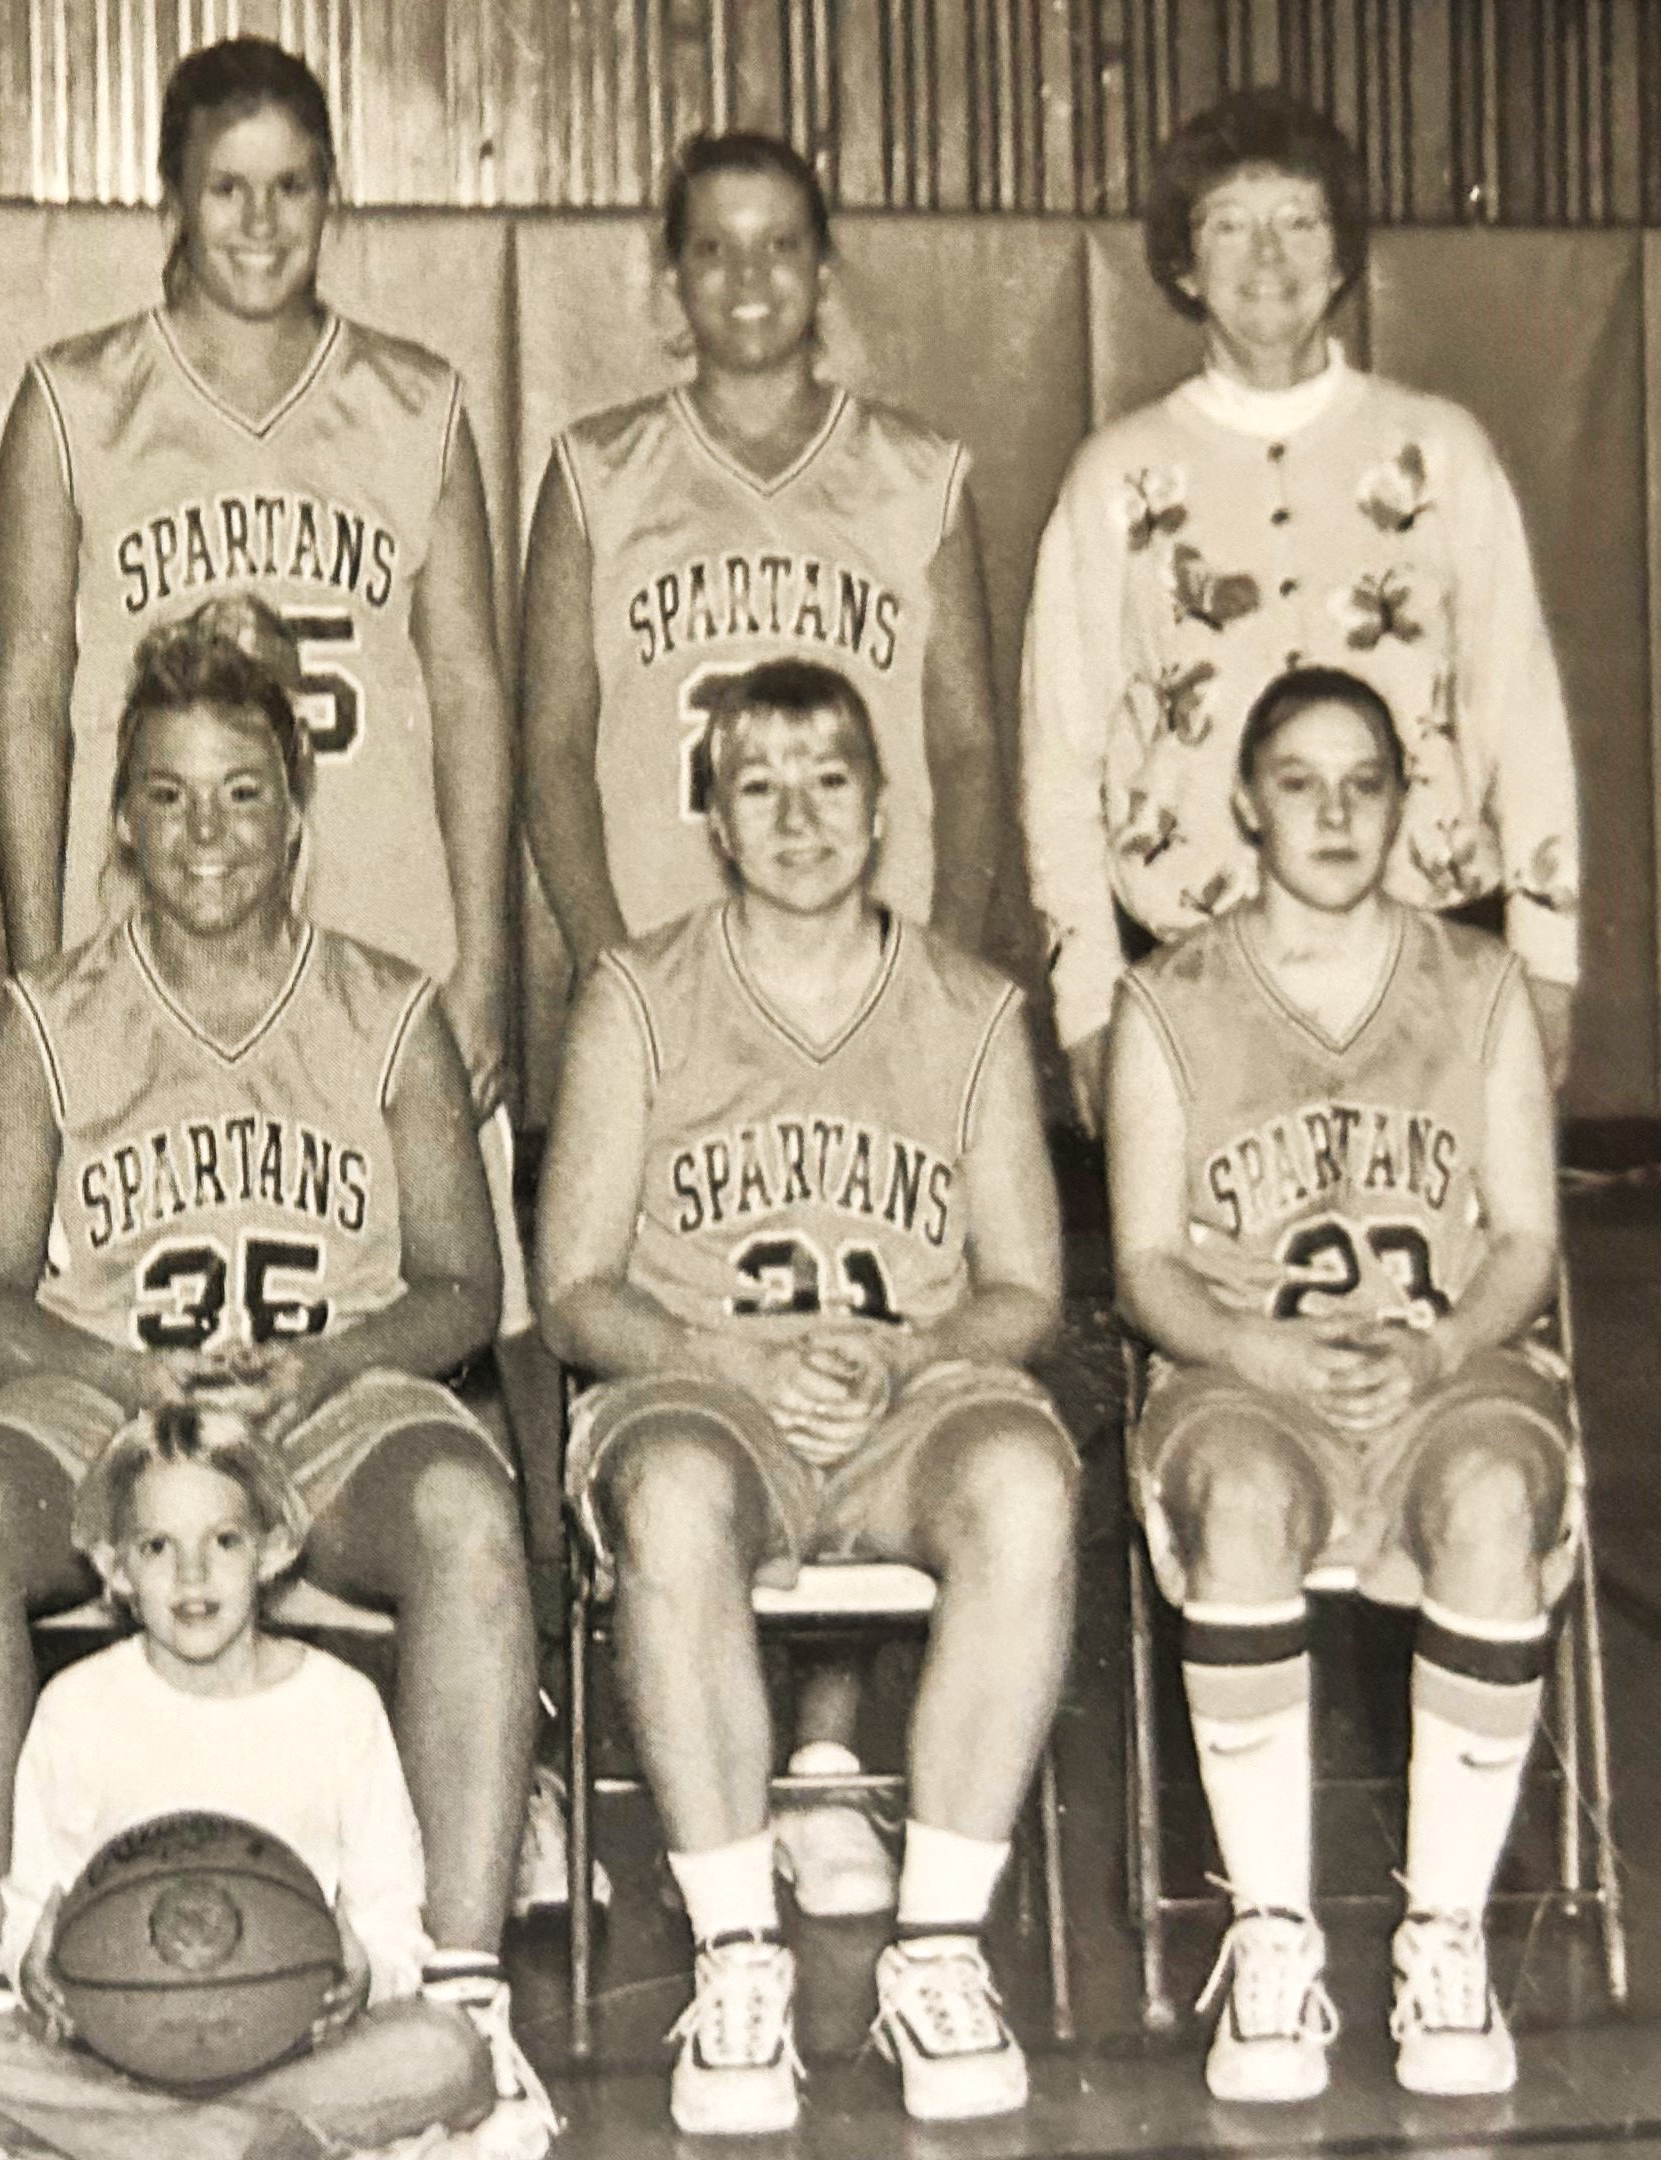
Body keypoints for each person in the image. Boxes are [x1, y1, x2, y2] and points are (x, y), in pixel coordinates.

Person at [0, 614, 548, 2150]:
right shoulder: (46, 1016)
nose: (206, 833)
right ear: (119, 819)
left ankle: (461, 1999)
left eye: (242, 794)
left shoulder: (387, 1010)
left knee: (464, 1511)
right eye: (170, 796)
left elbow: (466, 1283)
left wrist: (328, 1360)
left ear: (297, 812)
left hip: (323, 1401)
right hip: (110, 1400)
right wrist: (122, 1373)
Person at [516, 128, 1003, 1919]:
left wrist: (927, 986)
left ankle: (824, 1751)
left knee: (860, 1308)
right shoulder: (600, 471)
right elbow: (552, 745)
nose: (745, 280)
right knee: (680, 1342)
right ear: (668, 281)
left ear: (826, 270)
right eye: (711, 250)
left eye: (781, 247)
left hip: (862, 974)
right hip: (669, 981)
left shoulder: (919, 475)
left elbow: (960, 744)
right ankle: (665, 1749)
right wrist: (606, 963)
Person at [535, 659, 1074, 2132]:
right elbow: (575, 1286)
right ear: (710, 819)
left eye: (828, 779)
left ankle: (939, 1951)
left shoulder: (967, 1007)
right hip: (706, 1393)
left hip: (902, 1402)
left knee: (1025, 1489)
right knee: (673, 1497)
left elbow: (1026, 1284)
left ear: (883, 805)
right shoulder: (637, 997)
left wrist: (903, 1356)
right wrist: (733, 1362)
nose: (795, 815)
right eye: (755, 785)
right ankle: (737, 1959)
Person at [0, 33, 530, 1339]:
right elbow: (24, 700)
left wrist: (487, 948)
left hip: (382, 885)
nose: (259, 222)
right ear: (170, 194)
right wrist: (35, 953)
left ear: (330, 192)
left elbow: (466, 689)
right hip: (159, 900)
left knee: (420, 1288)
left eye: (292, 187)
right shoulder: (74, 399)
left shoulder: (415, 398)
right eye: (226, 187)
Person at [1108, 665, 1571, 2105]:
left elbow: (1523, 1241)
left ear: (1400, 805)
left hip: (1446, 1362)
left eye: (1363, 782)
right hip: (1246, 1372)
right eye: (1298, 782)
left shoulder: (1480, 982)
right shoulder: (1165, 1000)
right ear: (1244, 804)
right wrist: (1263, 1354)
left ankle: (1441, 1936)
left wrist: (1434, 1348)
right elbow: (1143, 1265)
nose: (1332, 810)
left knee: (1493, 1491)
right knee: (1241, 1495)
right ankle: (1271, 1937)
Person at [1023, 87, 1581, 1135]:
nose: (1265, 258)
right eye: (1227, 225)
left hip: (1428, 940)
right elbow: (1060, 757)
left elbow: (1521, 709)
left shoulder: (1441, 451)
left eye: (1297, 222)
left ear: (1341, 254)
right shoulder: (1113, 476)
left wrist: (1548, 960)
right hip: (1191, 951)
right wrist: (1087, 1004)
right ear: (1183, 266)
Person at [0, 1404, 496, 2160]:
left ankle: (149, 2146)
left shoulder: (340, 1705)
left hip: (298, 2050)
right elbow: (28, 1915)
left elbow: (395, 1925)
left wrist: (364, 1966)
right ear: (116, 1567)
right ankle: (230, 2144)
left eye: (224, 1541)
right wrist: (35, 1966)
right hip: (119, 2049)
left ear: (272, 1549)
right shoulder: (75, 1706)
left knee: (448, 2051)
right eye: (158, 1547)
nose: (192, 1575)